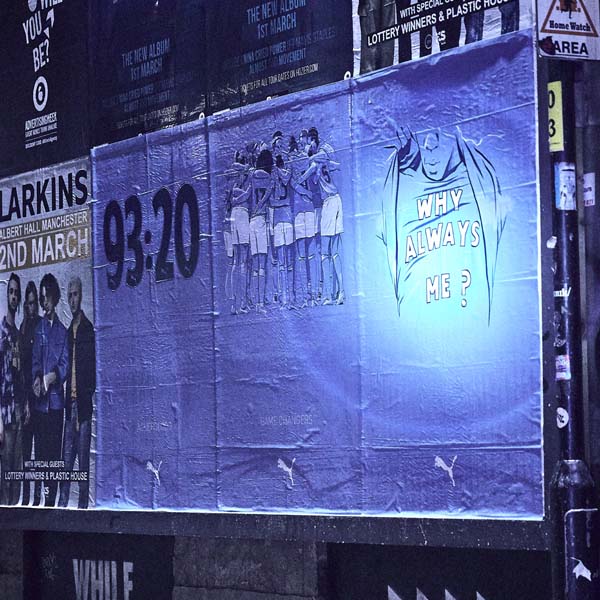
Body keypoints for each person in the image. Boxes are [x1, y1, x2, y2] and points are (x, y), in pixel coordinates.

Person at [381, 126, 507, 321]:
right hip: (416, 323)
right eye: (424, 146)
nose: (430, 153)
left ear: (453, 140)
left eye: (437, 145)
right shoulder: (404, 180)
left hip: (472, 319)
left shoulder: (477, 177)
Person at [32, 273, 68, 507]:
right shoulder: (38, 329)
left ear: (54, 297)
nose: (44, 302)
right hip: (40, 406)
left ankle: (51, 500)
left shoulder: (63, 332)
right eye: (42, 298)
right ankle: (38, 498)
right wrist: (37, 379)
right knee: (41, 455)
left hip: (55, 405)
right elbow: (35, 362)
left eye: (46, 297)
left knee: (54, 455)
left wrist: (51, 377)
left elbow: (64, 365)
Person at [59, 277, 95, 509]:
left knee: (82, 469)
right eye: (70, 295)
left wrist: (84, 402)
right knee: (65, 467)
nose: (72, 300)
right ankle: (60, 511)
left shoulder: (88, 329)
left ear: (81, 296)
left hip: (82, 410)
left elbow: (92, 373)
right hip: (68, 409)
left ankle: (83, 515)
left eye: (75, 295)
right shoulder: (67, 332)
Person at [0, 273, 24, 505]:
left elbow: (21, 375)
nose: (14, 296)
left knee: (17, 471)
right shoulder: (1, 333)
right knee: (5, 471)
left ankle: (16, 513)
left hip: (18, 409)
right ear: (7, 295)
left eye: (17, 293)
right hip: (5, 412)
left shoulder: (18, 334)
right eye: (11, 292)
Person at [20, 281, 41, 506]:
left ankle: (37, 497)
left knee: (41, 454)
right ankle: (26, 497)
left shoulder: (41, 326)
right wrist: (25, 401)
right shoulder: (24, 329)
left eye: (34, 303)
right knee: (26, 453)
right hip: (27, 400)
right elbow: (22, 371)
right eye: (29, 304)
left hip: (41, 400)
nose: (31, 307)